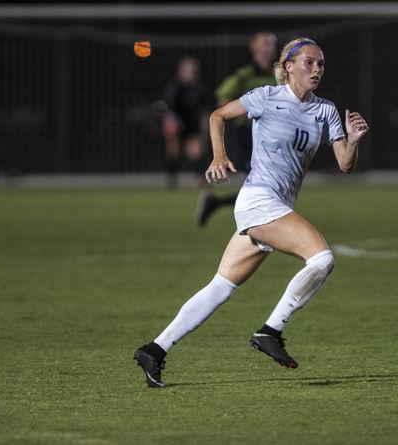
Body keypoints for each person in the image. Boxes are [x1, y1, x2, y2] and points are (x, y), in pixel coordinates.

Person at [134, 37, 369, 388]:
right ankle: (270, 331)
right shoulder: (266, 97)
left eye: (321, 63)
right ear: (288, 66)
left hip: (274, 206)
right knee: (321, 259)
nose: (317, 68)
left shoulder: (326, 111)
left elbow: (345, 164)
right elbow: (218, 116)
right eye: (308, 62)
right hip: (258, 200)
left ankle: (154, 350)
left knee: (220, 288)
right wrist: (217, 155)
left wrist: (353, 139)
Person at [195, 31, 278, 226]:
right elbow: (222, 99)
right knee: (264, 186)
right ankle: (255, 225)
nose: (269, 47)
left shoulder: (278, 76)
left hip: (273, 138)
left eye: (272, 44)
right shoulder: (243, 76)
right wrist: (250, 110)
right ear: (254, 48)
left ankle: (215, 202)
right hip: (248, 137)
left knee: (266, 186)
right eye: (265, 43)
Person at [161, 56, 211, 189]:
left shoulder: (201, 87)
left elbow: (206, 106)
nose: (191, 72)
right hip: (177, 123)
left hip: (193, 124)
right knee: (173, 151)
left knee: (196, 151)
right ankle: (172, 178)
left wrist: (204, 123)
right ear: (181, 71)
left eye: (194, 70)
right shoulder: (175, 87)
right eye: (188, 70)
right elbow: (168, 106)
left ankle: (198, 179)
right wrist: (171, 120)